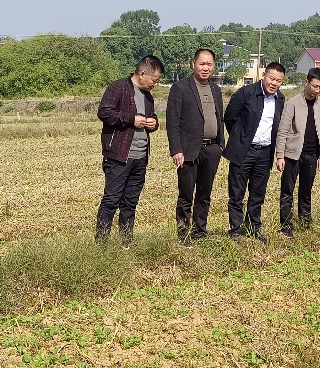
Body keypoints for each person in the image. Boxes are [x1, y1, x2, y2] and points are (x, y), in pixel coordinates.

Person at [95, 55, 163, 245]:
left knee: (130, 202)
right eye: (154, 80)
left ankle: (126, 241)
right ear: (142, 74)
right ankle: (101, 245)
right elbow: (104, 112)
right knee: (111, 200)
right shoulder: (118, 88)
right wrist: (131, 119)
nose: (155, 85)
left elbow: (152, 117)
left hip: (141, 157)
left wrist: (154, 123)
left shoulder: (147, 96)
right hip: (119, 156)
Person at [165, 48, 225, 241]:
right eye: (202, 64)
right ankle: (183, 234)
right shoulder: (180, 88)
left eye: (209, 64)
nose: (206, 68)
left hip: (212, 149)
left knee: (205, 194)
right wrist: (176, 149)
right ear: (193, 64)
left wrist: (220, 145)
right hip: (189, 150)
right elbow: (172, 121)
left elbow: (219, 118)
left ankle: (200, 231)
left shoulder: (215, 89)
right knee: (186, 194)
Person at [222, 61, 286, 242]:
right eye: (272, 78)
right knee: (237, 193)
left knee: (258, 193)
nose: (274, 83)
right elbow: (229, 118)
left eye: (279, 81)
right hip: (243, 151)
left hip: (265, 153)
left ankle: (253, 227)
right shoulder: (246, 93)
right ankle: (235, 229)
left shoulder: (280, 100)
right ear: (264, 75)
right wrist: (241, 138)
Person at [274, 67, 320, 237]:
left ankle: (305, 223)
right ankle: (286, 226)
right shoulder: (292, 103)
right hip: (292, 155)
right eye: (314, 86)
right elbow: (282, 130)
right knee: (287, 191)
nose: (317, 90)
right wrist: (280, 155)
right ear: (306, 82)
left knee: (306, 191)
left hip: (312, 155)